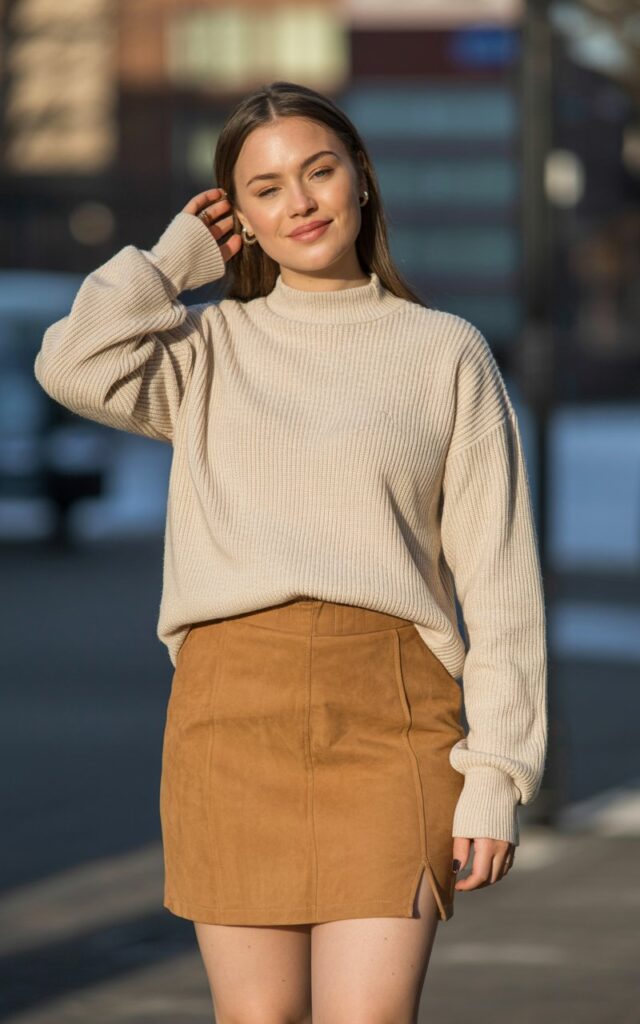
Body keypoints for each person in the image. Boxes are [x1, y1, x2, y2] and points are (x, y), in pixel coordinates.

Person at [34, 80, 547, 1024]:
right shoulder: (203, 351)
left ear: (361, 178)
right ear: (240, 218)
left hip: (393, 717)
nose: (301, 202)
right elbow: (70, 361)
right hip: (230, 716)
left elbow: (501, 581)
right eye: (265, 189)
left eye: (319, 170)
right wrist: (170, 260)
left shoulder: (446, 352)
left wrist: (497, 776)